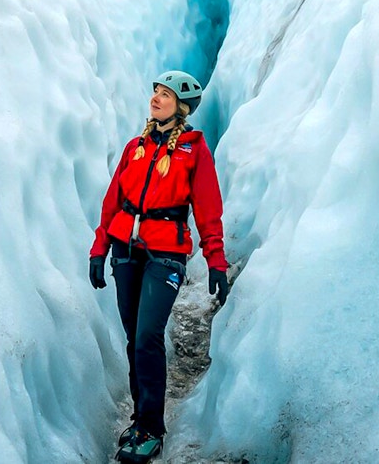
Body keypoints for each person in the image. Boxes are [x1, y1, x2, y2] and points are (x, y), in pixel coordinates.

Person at [89, 70, 229, 463]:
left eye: (166, 95)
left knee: (149, 334)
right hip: (126, 251)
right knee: (135, 338)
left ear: (181, 107)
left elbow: (207, 209)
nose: (157, 98)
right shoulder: (135, 147)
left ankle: (152, 428)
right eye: (156, 92)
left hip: (166, 254)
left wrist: (216, 261)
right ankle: (139, 420)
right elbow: (112, 201)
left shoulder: (193, 150)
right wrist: (99, 251)